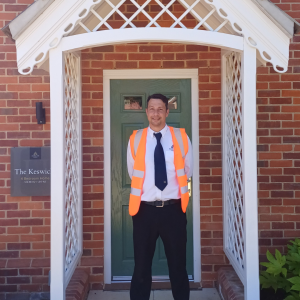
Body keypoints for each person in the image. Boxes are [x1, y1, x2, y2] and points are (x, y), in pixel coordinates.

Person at [127, 93, 193, 300]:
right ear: (146, 112)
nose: (156, 113)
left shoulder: (181, 137)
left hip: (173, 210)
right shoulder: (135, 138)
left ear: (167, 111)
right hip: (144, 211)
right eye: (152, 109)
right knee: (141, 267)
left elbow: (188, 170)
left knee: (178, 266)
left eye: (160, 109)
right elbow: (132, 172)